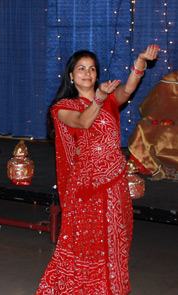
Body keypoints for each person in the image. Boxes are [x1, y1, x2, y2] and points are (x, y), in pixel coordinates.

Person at [36, 45, 159, 294]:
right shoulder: (63, 107)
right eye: (81, 68)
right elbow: (83, 121)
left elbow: (128, 88)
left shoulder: (111, 100)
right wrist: (99, 99)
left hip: (114, 182)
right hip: (86, 186)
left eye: (92, 69)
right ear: (71, 75)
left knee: (115, 238)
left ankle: (110, 288)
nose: (87, 73)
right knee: (86, 242)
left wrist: (140, 61)